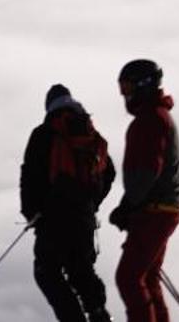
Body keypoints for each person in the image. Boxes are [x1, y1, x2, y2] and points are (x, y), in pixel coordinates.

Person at [21, 83, 117, 322]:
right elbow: (109, 172)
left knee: (46, 272)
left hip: (52, 217)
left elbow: (30, 176)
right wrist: (91, 203)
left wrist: (32, 213)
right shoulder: (90, 135)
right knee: (80, 270)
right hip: (83, 216)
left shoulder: (44, 133)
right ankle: (99, 314)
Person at [106, 59, 179, 322]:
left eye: (127, 88)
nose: (125, 95)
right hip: (159, 208)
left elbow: (149, 170)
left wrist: (129, 205)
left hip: (157, 210)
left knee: (128, 278)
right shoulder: (153, 117)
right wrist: (131, 206)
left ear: (144, 86)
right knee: (147, 276)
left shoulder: (152, 120)